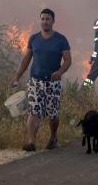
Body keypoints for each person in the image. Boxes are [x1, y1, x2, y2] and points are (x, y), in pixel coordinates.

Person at [11, 8, 72, 152]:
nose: (45, 22)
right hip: (35, 82)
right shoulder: (34, 39)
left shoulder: (61, 40)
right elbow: (26, 59)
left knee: (53, 114)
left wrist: (60, 72)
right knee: (34, 111)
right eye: (42, 19)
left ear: (53, 21)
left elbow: (68, 60)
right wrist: (17, 76)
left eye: (47, 19)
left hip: (53, 83)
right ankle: (31, 142)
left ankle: (53, 138)